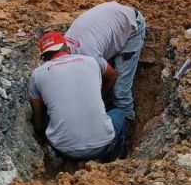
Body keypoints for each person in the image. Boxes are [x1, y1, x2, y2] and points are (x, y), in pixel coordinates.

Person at [29, 31, 126, 163]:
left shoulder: (37, 74)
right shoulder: (92, 61)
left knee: (48, 112)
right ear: (67, 48)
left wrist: (40, 135)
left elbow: (38, 123)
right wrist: (102, 97)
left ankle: (66, 163)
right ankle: (111, 161)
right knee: (119, 114)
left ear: (44, 57)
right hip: (103, 146)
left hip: (65, 151)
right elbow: (112, 75)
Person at [64, 2, 146, 127]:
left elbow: (112, 76)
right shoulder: (63, 47)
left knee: (120, 91)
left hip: (132, 26)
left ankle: (127, 127)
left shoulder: (89, 57)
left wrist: (101, 98)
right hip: (111, 19)